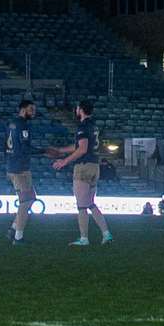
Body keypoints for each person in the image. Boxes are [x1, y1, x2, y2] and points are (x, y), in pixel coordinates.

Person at [51, 99, 112, 247]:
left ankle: (84, 238)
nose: (76, 110)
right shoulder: (94, 126)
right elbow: (81, 146)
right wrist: (61, 150)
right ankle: (106, 233)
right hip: (94, 166)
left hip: (83, 167)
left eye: (77, 108)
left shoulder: (83, 127)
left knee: (81, 206)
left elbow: (82, 149)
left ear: (81, 110)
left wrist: (63, 162)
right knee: (90, 203)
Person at [4, 98, 36, 245]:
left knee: (31, 198)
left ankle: (14, 229)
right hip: (19, 169)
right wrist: (44, 151)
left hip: (16, 166)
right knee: (26, 201)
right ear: (23, 109)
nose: (33, 112)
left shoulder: (12, 124)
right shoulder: (22, 125)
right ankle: (18, 236)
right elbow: (25, 148)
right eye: (31, 109)